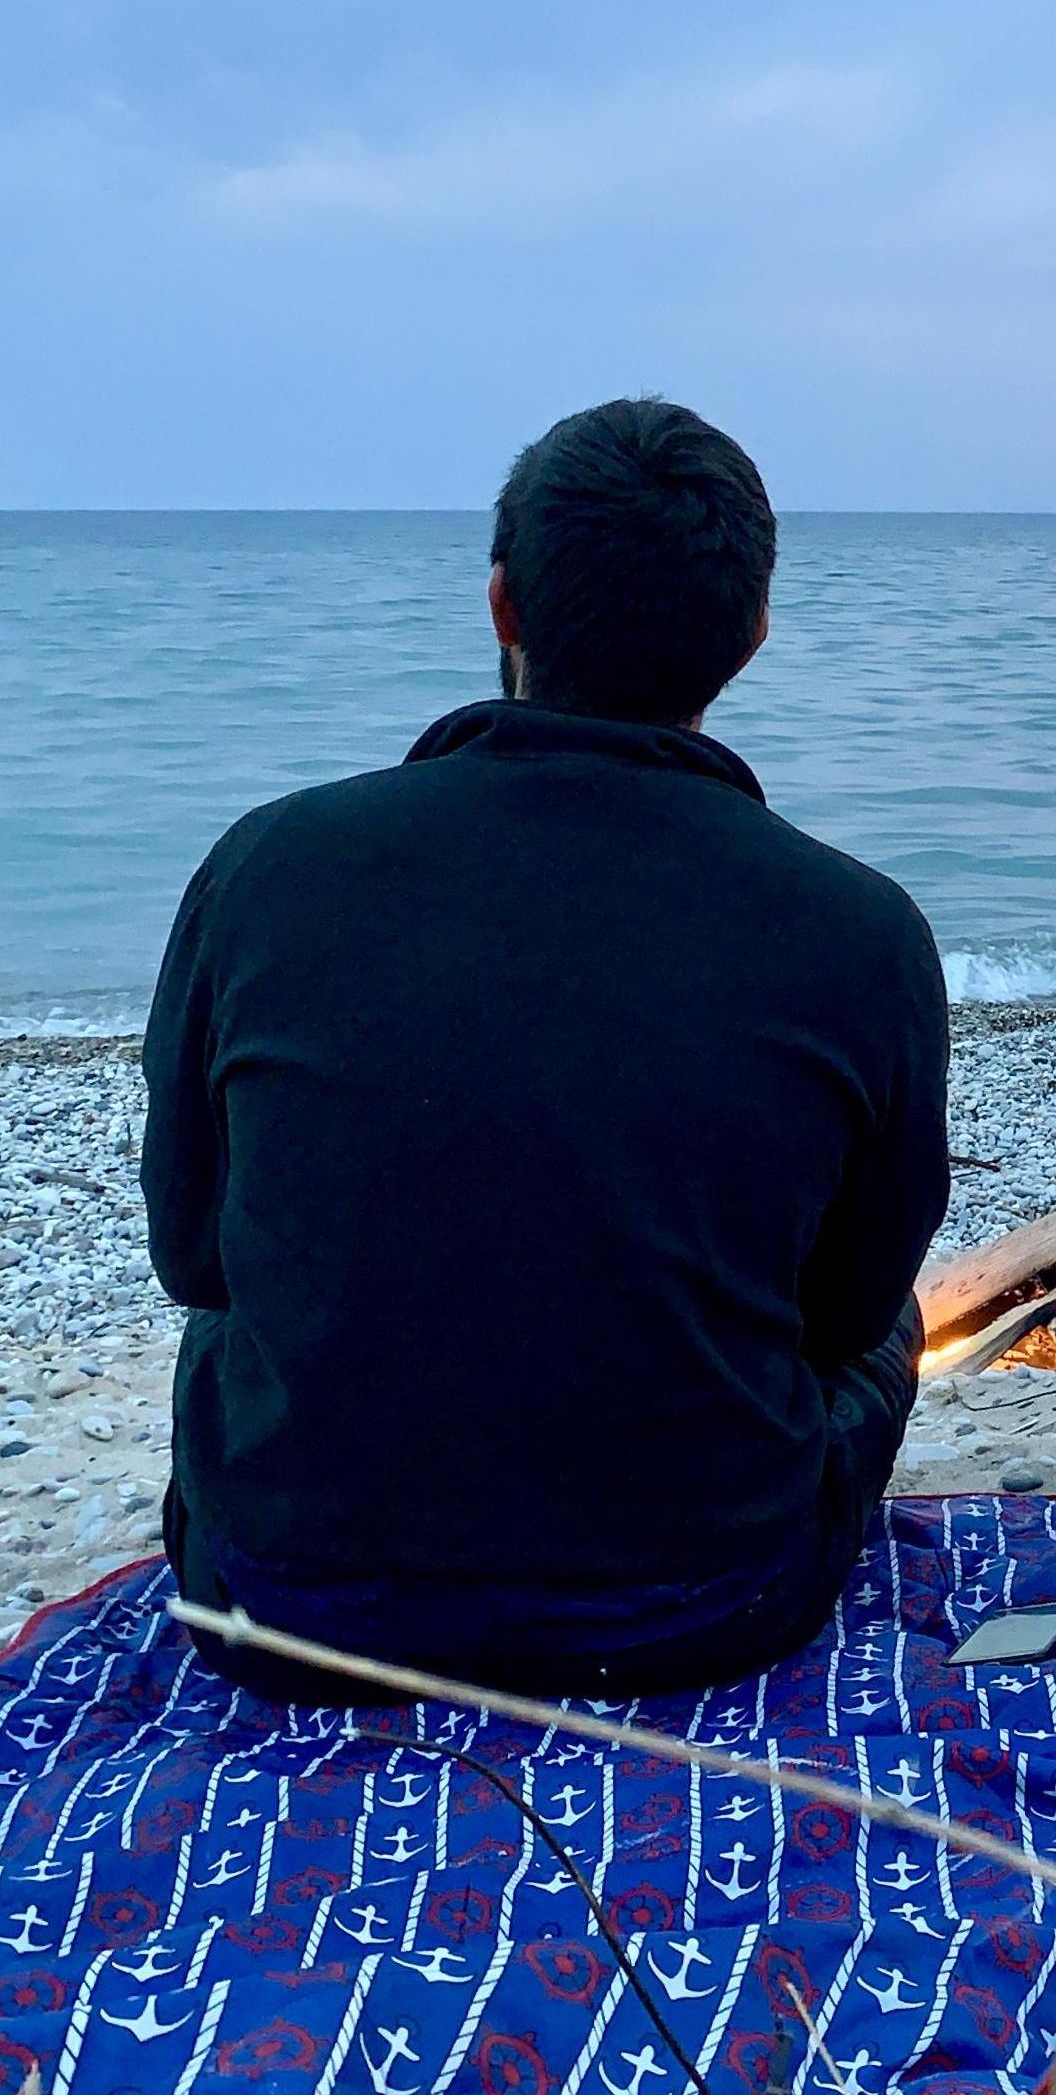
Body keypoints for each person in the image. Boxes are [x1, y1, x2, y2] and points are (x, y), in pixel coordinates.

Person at [143, 398, 948, 1701]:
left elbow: (191, 1255)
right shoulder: (859, 930)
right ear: (748, 637)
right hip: (702, 1604)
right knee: (891, 1323)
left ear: (504, 606)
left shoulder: (267, 866)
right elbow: (848, 1313)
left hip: (287, 1607)